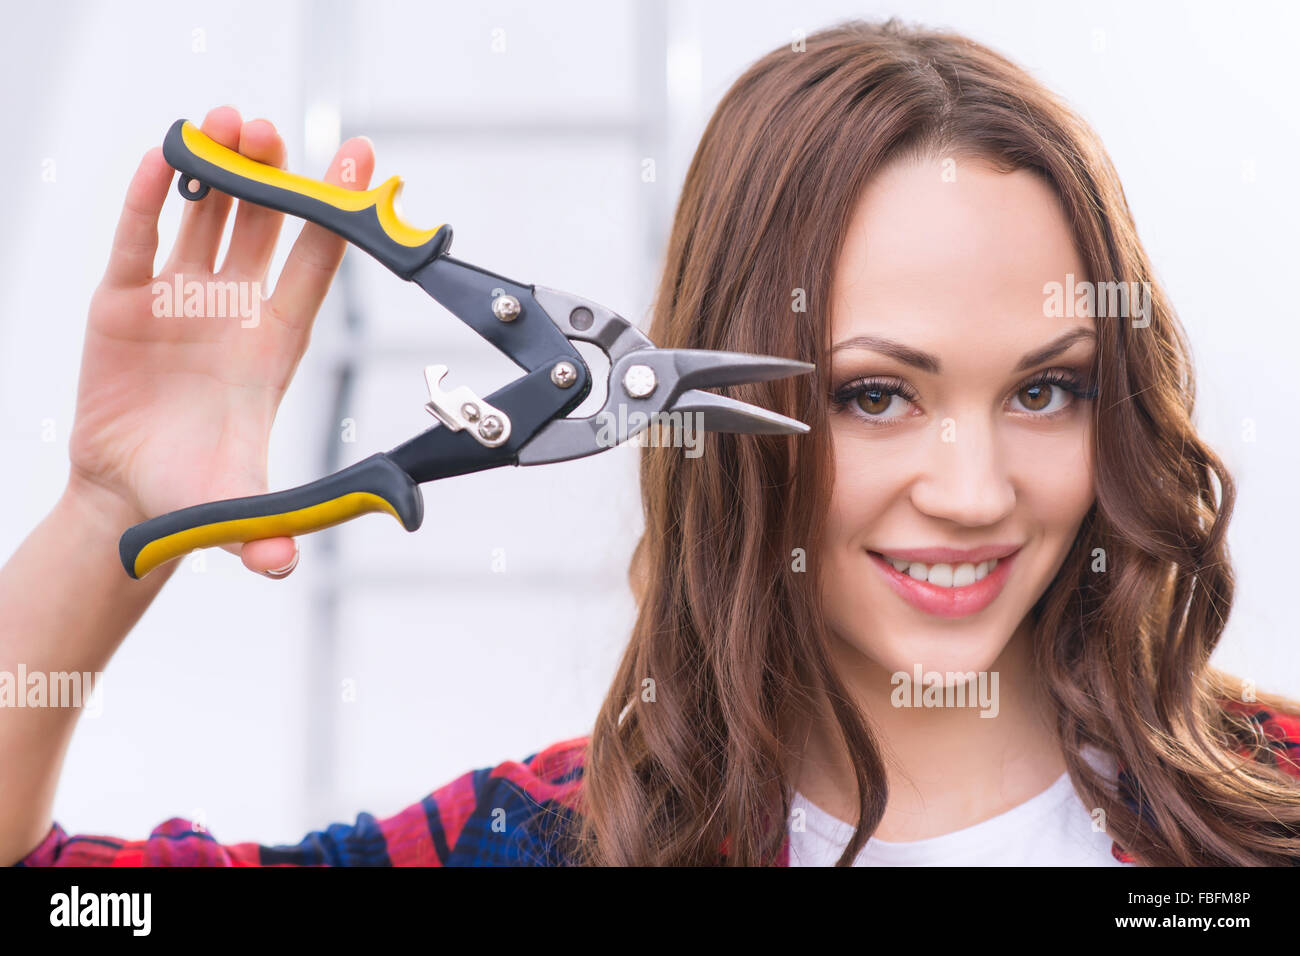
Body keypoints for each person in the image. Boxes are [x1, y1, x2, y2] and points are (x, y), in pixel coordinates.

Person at [4, 18, 1298, 868]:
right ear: (713, 420)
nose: (973, 493)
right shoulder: (538, 845)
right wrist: (100, 514)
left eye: (1044, 392)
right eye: (874, 396)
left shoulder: (1268, 811)